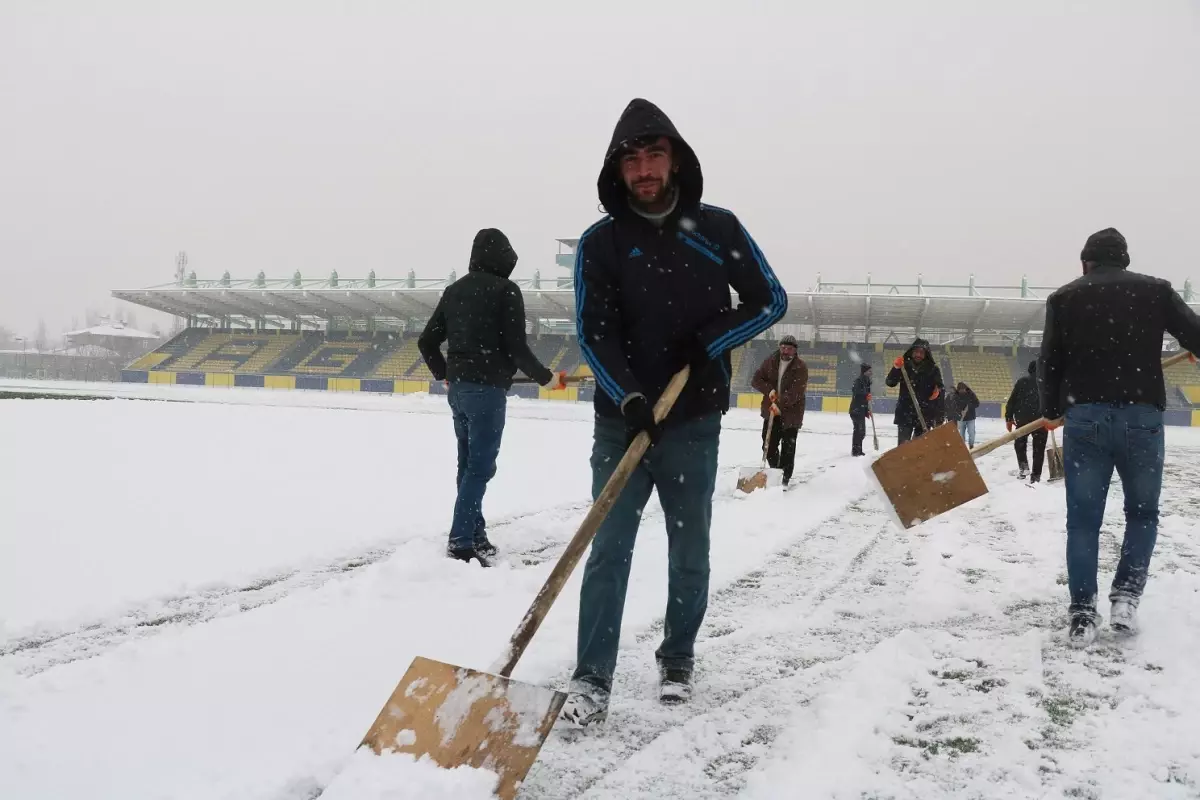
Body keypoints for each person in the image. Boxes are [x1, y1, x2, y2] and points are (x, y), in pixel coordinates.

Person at [565, 98, 788, 724]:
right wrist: (630, 394)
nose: (643, 169)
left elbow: (770, 300)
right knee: (607, 548)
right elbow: (594, 331)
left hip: (692, 422)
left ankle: (678, 658)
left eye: (653, 155)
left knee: (690, 549)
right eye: (630, 159)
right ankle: (591, 679)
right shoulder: (601, 243)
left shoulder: (718, 230)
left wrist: (709, 340)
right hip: (622, 423)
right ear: (618, 169)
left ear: (676, 161)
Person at [1040, 227, 1200, 648]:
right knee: (1143, 513)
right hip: (1141, 416)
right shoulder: (1156, 292)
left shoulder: (1064, 297)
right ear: (1124, 260)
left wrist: (1052, 410)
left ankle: (1081, 611)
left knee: (1084, 519)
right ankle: (1126, 598)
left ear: (1086, 262)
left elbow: (1050, 359)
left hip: (1085, 417)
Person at [418, 228, 566, 566]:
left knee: (467, 465)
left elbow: (426, 342)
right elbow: (516, 348)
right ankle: (460, 542)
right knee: (480, 468)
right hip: (486, 393)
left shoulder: (454, 291)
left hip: (458, 391)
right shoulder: (506, 291)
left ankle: (474, 534)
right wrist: (547, 379)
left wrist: (443, 375)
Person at [749, 335, 808, 484]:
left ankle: (784, 480)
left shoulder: (800, 367)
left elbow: (797, 391)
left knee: (788, 449)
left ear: (795, 350)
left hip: (791, 414)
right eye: (783, 348)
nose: (785, 351)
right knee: (768, 446)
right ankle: (777, 472)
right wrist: (769, 391)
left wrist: (779, 404)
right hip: (771, 413)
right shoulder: (770, 362)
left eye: (789, 348)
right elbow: (756, 380)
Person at [885, 338, 944, 444]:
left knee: (919, 449)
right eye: (916, 351)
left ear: (926, 354)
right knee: (903, 447)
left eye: (922, 352)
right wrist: (896, 368)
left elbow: (940, 388)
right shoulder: (904, 366)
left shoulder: (933, 369)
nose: (918, 355)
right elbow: (890, 382)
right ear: (911, 352)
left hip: (924, 414)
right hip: (905, 412)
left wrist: (938, 391)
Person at [1005, 360, 1045, 482]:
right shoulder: (1047, 383)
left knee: (1020, 444)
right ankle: (1036, 476)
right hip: (1041, 421)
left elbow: (1011, 401)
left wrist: (1009, 418)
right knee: (1039, 450)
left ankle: (1024, 467)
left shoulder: (1022, 382)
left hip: (1023, 420)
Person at [849, 363, 872, 456]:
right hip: (856, 410)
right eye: (870, 371)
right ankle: (855, 450)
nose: (871, 373)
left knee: (861, 432)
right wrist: (865, 395)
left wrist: (867, 410)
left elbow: (866, 399)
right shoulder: (858, 381)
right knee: (859, 431)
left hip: (861, 410)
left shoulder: (867, 381)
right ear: (865, 372)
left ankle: (858, 449)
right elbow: (856, 392)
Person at [953, 382, 980, 448]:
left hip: (971, 418)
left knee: (971, 433)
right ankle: (962, 447)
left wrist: (969, 406)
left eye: (963, 389)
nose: (962, 391)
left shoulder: (971, 394)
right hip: (960, 418)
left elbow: (977, 403)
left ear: (965, 388)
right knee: (961, 434)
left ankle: (971, 445)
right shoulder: (955, 395)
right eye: (960, 390)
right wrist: (959, 411)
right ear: (958, 389)